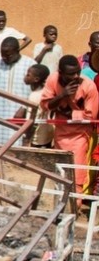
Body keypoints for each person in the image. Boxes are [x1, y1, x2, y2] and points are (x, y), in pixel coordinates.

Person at [40, 55, 99, 205]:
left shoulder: (88, 85)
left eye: (77, 72)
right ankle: (59, 207)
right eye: (71, 74)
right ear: (61, 72)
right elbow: (46, 104)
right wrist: (63, 95)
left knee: (77, 173)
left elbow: (91, 115)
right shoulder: (53, 80)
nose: (75, 76)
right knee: (60, 171)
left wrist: (66, 113)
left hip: (80, 135)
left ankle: (74, 208)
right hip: (60, 133)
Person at [0, 36, 36, 145]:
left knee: (17, 148)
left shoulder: (30, 65)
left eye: (8, 55)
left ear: (17, 51)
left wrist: (25, 108)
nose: (5, 58)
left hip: (20, 115)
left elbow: (38, 92)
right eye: (3, 55)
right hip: (0, 116)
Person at [17, 64, 53, 148]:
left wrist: (27, 138)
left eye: (28, 75)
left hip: (36, 139)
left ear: (36, 79)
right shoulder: (46, 91)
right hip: (47, 136)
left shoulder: (34, 96)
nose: (25, 76)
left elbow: (31, 120)